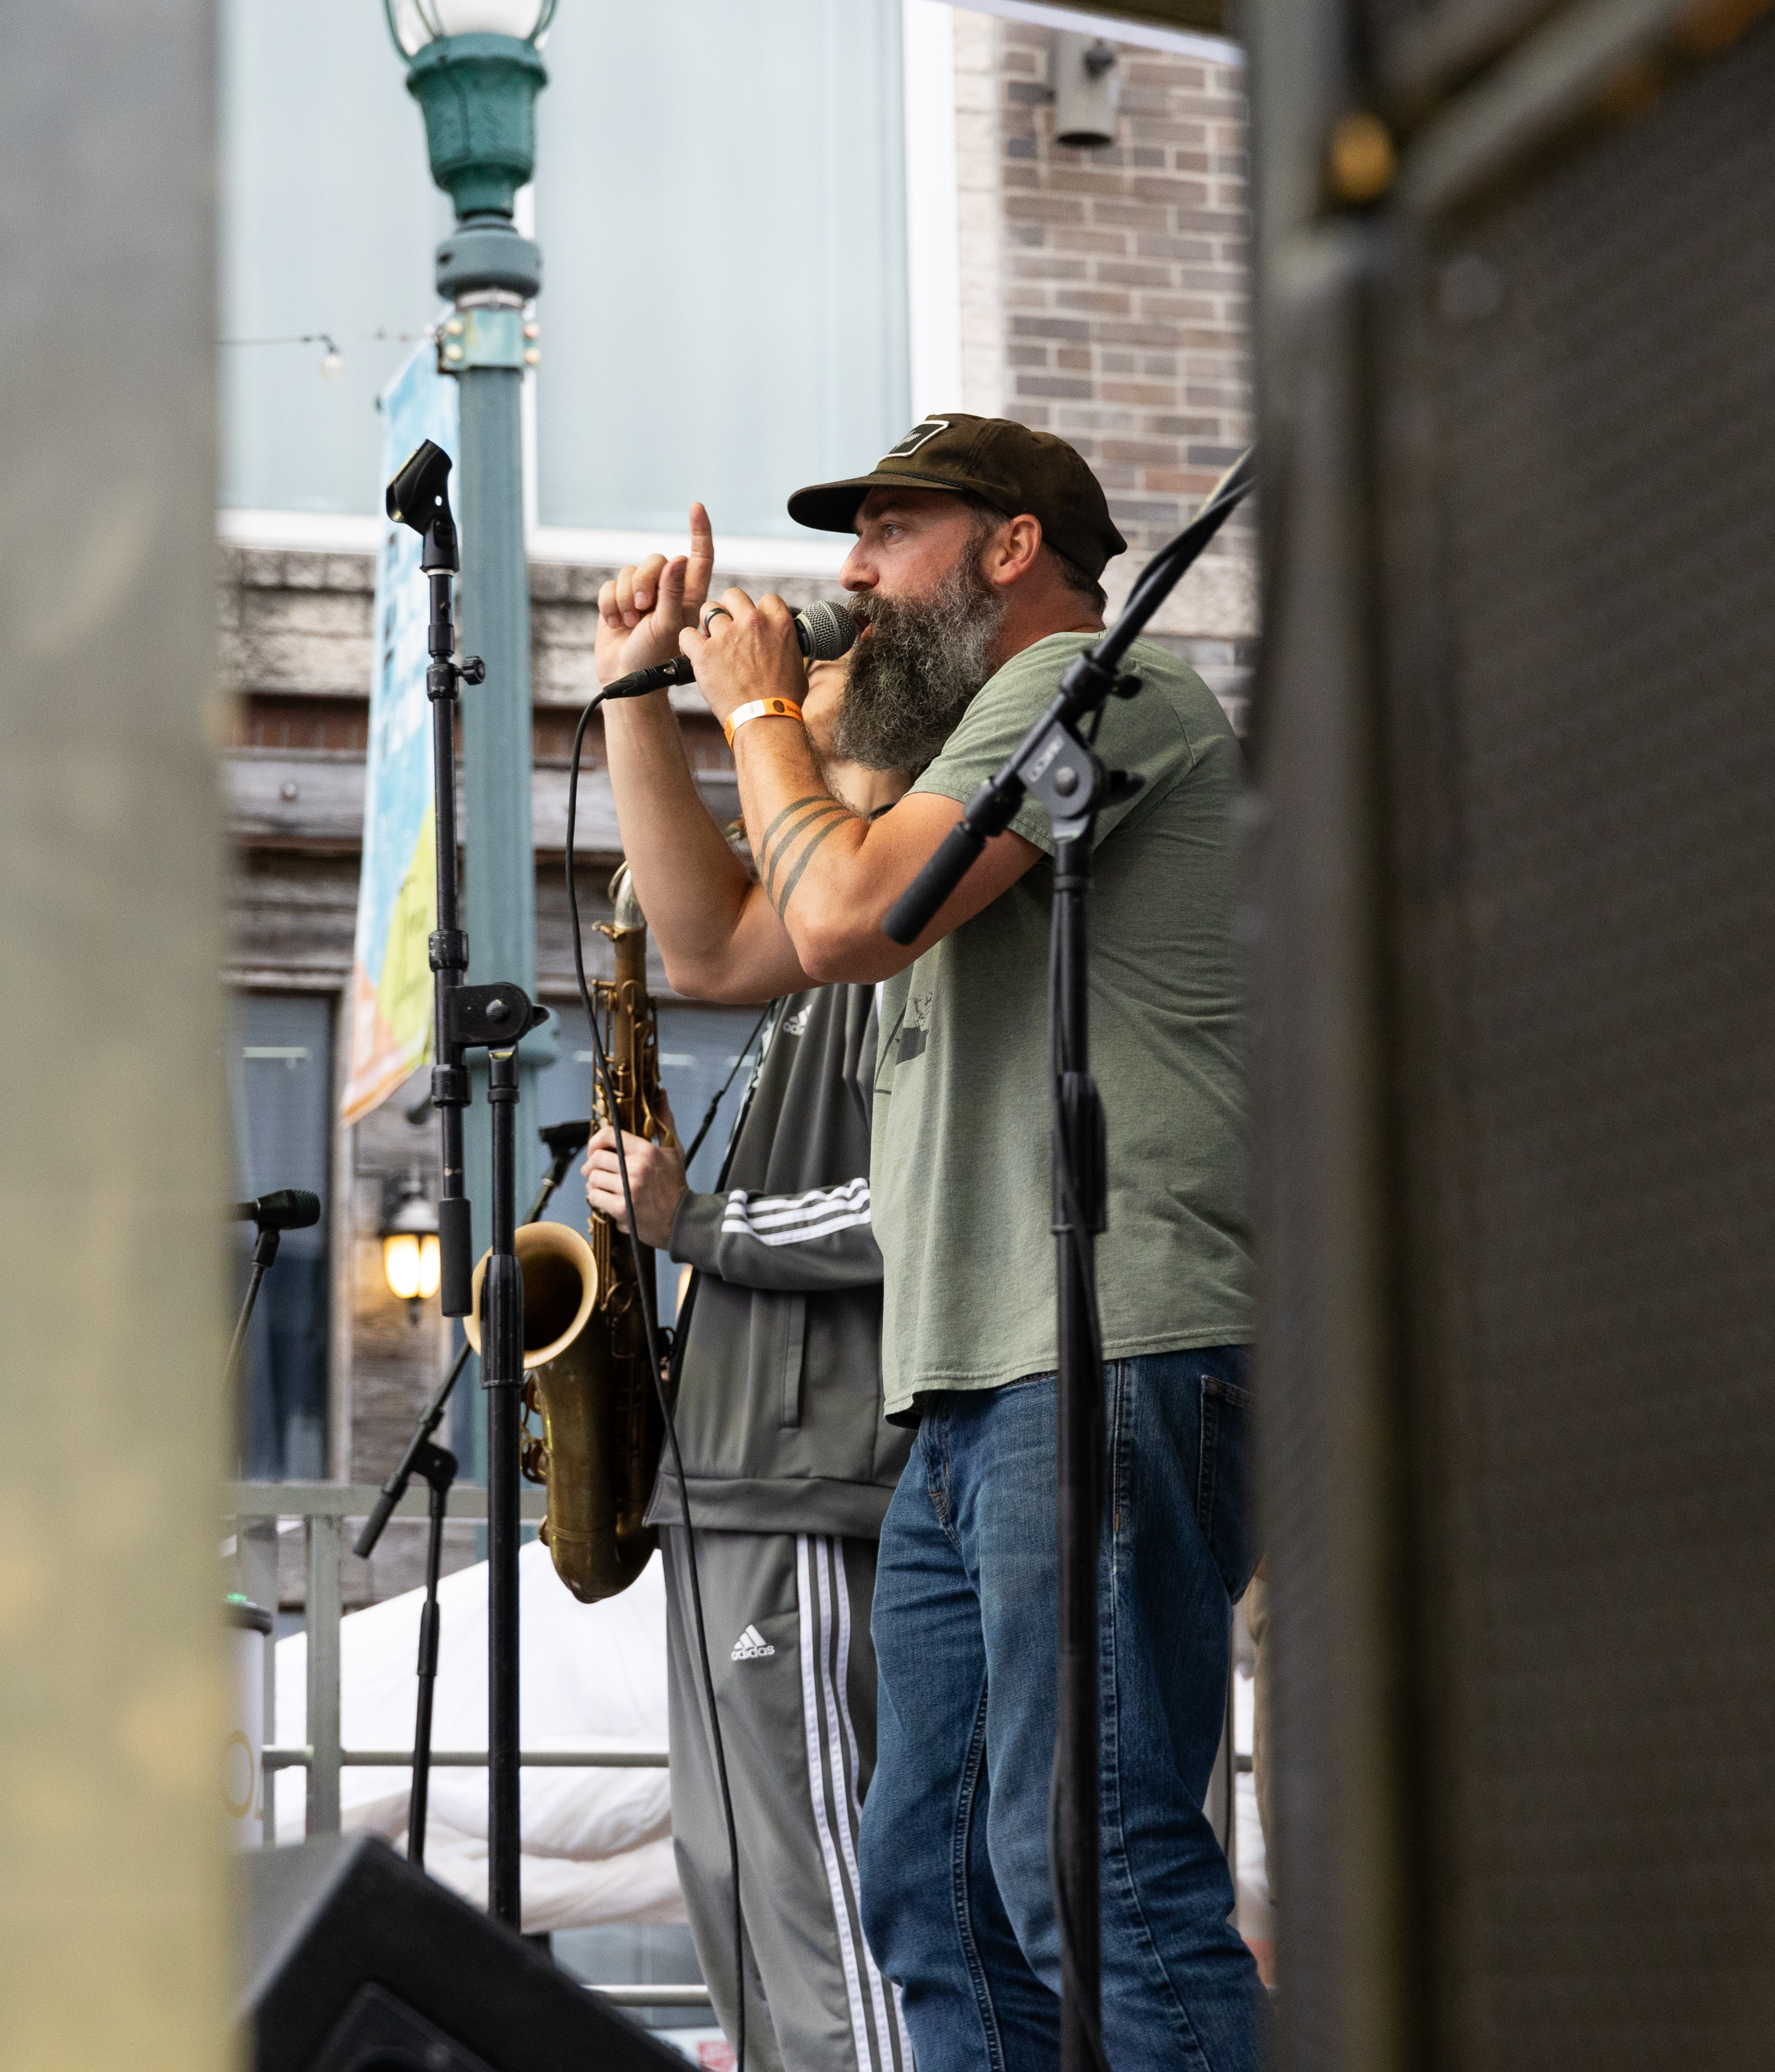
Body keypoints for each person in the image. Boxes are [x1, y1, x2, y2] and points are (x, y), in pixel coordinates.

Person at [594, 418, 1255, 2071]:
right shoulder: (962, 763)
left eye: (891, 533)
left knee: (1090, 1859)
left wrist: (761, 708)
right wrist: (634, 696)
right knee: (934, 1882)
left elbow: (836, 914)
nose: (850, 577)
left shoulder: (1099, 696)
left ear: (1012, 546)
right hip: (973, 1383)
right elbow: (730, 947)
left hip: (1108, 1343)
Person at [582, 629, 919, 2072]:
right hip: (731, 1484)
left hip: (812, 1477)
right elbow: (697, 939)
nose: (753, 753)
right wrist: (632, 690)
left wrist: (700, 1223)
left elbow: (923, 1200)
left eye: (784, 722)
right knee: (735, 1902)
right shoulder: (808, 951)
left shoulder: (905, 922)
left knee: (827, 1908)